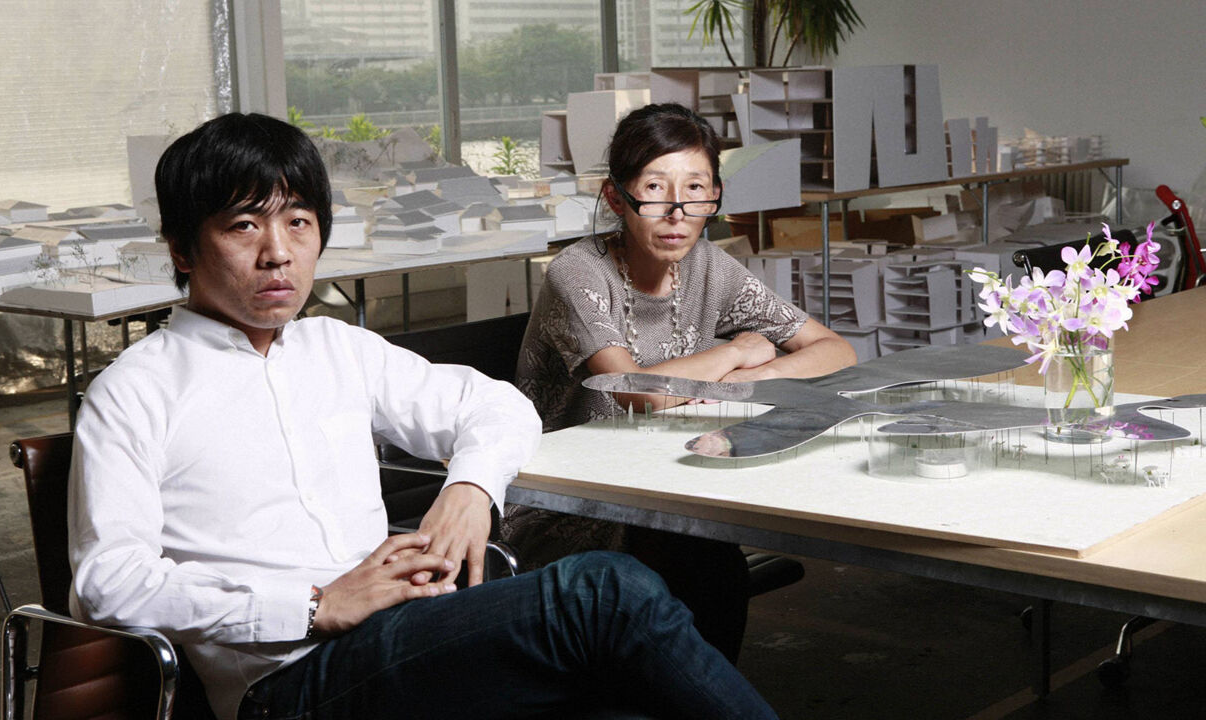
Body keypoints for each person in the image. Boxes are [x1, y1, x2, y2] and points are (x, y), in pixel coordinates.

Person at [67, 112, 779, 720]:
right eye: (244, 226)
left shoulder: (336, 348)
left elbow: (497, 408)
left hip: (411, 631)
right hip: (289, 684)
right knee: (607, 591)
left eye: (299, 222)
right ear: (182, 249)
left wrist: (469, 489)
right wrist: (312, 604)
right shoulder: (135, 390)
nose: (278, 252)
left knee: (632, 693)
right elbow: (108, 582)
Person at [506, 102, 857, 661]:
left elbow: (834, 350)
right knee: (705, 558)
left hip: (668, 486)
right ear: (616, 198)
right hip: (572, 505)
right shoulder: (579, 271)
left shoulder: (707, 267)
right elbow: (632, 390)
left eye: (696, 188)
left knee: (707, 551)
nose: (677, 210)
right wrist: (736, 350)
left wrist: (752, 374)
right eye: (655, 187)